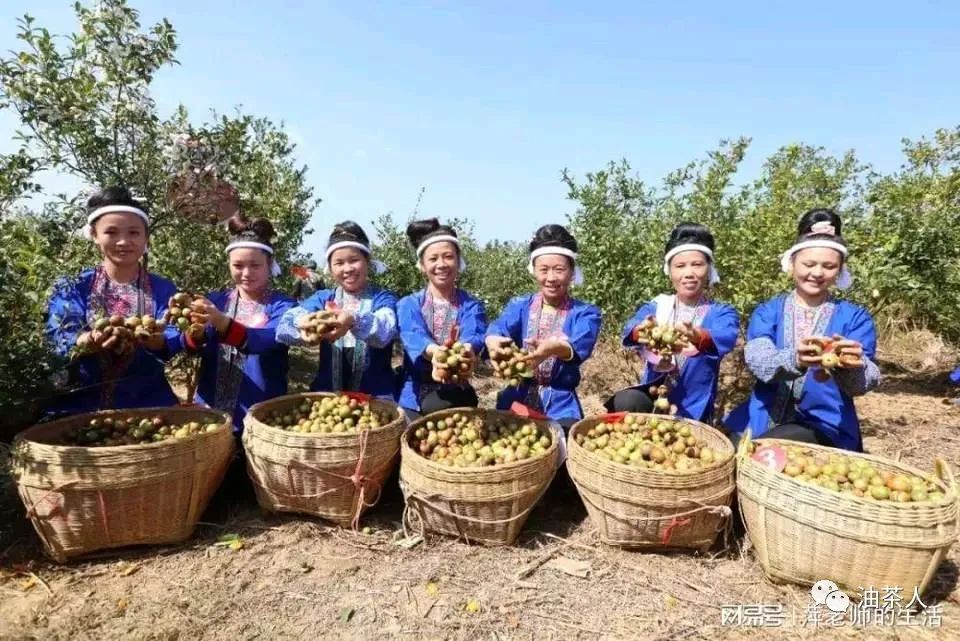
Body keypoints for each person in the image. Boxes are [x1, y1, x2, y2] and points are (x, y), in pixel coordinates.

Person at [725, 208, 881, 451]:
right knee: (733, 453)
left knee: (766, 450)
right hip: (762, 417)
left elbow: (864, 382)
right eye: (809, 264)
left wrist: (853, 366)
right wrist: (795, 359)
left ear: (840, 270)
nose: (817, 273)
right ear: (792, 263)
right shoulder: (768, 312)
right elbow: (758, 360)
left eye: (829, 266)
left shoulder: (854, 318)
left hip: (825, 424)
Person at [45, 186, 180, 413]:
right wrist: (87, 339)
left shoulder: (163, 288)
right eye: (111, 232)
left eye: (134, 233)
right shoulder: (74, 286)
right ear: (95, 235)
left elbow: (174, 335)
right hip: (81, 405)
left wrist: (157, 340)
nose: (123, 241)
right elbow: (60, 333)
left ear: (146, 238)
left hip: (149, 402)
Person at [606, 223, 739, 422]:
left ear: (709, 269)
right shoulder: (657, 307)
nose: (688, 273)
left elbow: (726, 335)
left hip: (694, 405)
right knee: (628, 401)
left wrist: (697, 335)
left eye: (697, 264)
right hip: (652, 396)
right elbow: (630, 328)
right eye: (680, 266)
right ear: (669, 271)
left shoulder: (721, 312)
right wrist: (641, 331)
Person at [178, 214, 296, 432]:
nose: (246, 273)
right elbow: (191, 347)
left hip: (263, 418)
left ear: (270, 263)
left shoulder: (284, 307)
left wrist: (221, 321)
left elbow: (265, 340)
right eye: (238, 265)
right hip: (211, 417)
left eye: (255, 265)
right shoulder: (216, 301)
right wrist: (195, 332)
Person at [485, 224, 601, 428]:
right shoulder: (520, 306)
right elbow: (499, 327)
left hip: (561, 403)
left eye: (559, 270)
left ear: (572, 272)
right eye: (544, 270)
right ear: (534, 271)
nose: (551, 278)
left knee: (562, 438)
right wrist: (492, 339)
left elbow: (580, 344)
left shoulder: (585, 313)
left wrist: (554, 349)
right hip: (516, 397)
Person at [276, 221, 398, 399]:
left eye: (354, 260)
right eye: (339, 263)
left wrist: (353, 320)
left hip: (376, 399)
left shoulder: (382, 298)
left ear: (368, 262)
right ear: (330, 268)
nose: (347, 269)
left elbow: (385, 330)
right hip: (328, 397)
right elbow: (284, 325)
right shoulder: (324, 298)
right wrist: (301, 323)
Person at [397, 219, 487, 420]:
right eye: (433, 259)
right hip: (412, 397)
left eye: (448, 257)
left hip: (457, 392)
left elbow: (475, 333)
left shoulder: (471, 305)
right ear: (422, 265)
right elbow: (412, 334)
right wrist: (436, 353)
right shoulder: (408, 304)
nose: (441, 264)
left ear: (458, 261)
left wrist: (466, 350)